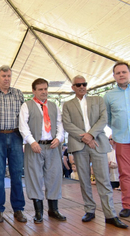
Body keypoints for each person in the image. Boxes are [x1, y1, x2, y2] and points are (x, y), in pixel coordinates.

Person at [62, 75, 128, 228]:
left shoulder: (98, 100)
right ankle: (89, 210)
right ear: (73, 87)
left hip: (97, 142)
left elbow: (103, 119)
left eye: (84, 84)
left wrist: (91, 135)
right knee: (84, 179)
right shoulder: (67, 104)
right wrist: (85, 138)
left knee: (104, 179)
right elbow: (67, 124)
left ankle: (110, 214)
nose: (81, 87)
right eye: (78, 85)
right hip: (79, 145)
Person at [19, 78, 66, 223]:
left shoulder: (54, 106)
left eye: (45, 89)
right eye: (40, 89)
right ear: (34, 91)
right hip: (34, 146)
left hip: (52, 146)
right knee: (34, 177)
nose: (44, 92)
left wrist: (58, 138)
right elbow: (23, 126)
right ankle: (38, 212)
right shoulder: (27, 106)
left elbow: (60, 124)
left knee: (54, 176)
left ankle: (53, 210)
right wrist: (31, 142)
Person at [0, 65, 26, 223]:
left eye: (9, 75)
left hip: (15, 136)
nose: (6, 78)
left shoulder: (19, 94)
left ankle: (18, 209)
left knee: (16, 174)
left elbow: (24, 117)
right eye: (3, 76)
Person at [104, 61, 130, 218]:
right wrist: (116, 131)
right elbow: (107, 118)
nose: (121, 75)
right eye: (118, 73)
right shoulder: (108, 96)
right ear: (114, 76)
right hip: (121, 139)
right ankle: (127, 205)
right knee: (125, 173)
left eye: (124, 72)